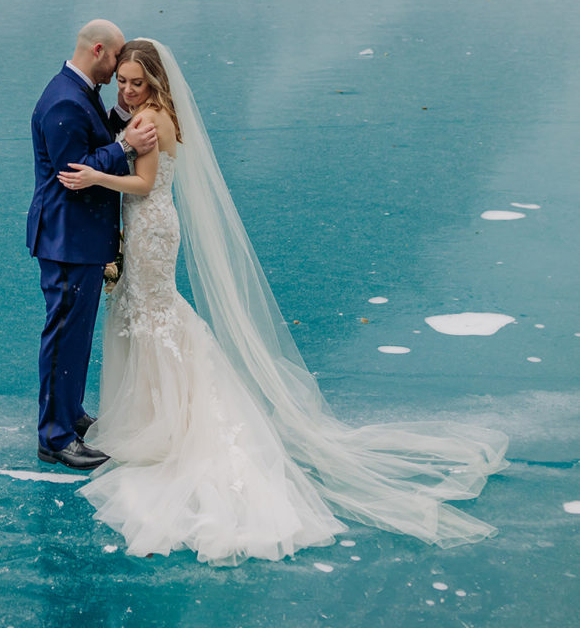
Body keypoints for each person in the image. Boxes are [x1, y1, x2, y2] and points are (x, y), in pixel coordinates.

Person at [58, 40, 508, 564]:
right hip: (146, 230)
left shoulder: (152, 119)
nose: (127, 89)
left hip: (151, 228)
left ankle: (171, 423)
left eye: (137, 81)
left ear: (155, 82)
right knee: (149, 315)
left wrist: (95, 176)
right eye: (123, 80)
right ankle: (161, 414)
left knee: (156, 316)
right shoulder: (150, 113)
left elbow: (145, 182)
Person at [26, 19, 158, 470]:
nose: (119, 67)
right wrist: (126, 147)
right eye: (116, 58)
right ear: (98, 50)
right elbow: (73, 173)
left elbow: (91, 139)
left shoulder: (77, 92)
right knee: (64, 337)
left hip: (75, 238)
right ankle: (54, 437)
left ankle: (70, 415)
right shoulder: (65, 100)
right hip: (67, 240)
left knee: (76, 337)